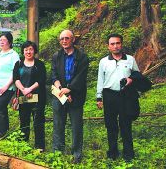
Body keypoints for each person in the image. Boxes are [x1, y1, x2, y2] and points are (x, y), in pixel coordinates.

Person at [96, 33, 140, 162]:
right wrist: (99, 97)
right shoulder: (103, 61)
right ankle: (113, 153)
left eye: (118, 43)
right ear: (108, 46)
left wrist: (131, 79)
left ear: (121, 44)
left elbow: (137, 75)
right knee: (111, 125)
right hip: (109, 95)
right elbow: (100, 79)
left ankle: (128, 154)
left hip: (125, 96)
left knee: (126, 125)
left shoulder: (130, 59)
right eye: (112, 44)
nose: (115, 46)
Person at [51, 29, 89, 164]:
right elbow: (54, 74)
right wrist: (61, 89)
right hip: (59, 95)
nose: (64, 41)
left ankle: (76, 154)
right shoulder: (57, 56)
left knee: (76, 126)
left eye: (67, 38)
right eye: (62, 39)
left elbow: (81, 77)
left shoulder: (82, 57)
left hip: (76, 96)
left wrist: (70, 89)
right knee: (58, 124)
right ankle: (57, 152)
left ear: (73, 39)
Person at [13, 41, 46, 150]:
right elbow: (16, 79)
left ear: (34, 51)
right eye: (26, 49)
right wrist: (24, 90)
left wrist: (30, 89)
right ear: (23, 51)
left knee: (38, 122)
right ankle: (23, 144)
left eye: (31, 49)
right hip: (24, 97)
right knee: (24, 121)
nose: (28, 51)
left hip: (37, 97)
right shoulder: (18, 64)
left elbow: (41, 80)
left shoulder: (39, 64)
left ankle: (39, 147)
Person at [0, 32, 20, 139]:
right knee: (2, 109)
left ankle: (0, 134)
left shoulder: (13, 55)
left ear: (10, 42)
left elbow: (15, 73)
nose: (1, 42)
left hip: (7, 87)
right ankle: (4, 132)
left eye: (4, 40)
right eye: (0, 39)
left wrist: (6, 86)